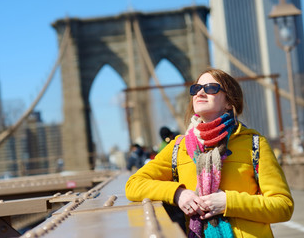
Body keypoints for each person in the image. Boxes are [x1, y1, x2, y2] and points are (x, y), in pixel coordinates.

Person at [125, 68, 294, 237]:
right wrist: (177, 193)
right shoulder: (178, 148)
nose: (200, 93)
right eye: (196, 89)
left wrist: (228, 202)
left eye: (211, 88)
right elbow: (133, 185)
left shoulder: (254, 144)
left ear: (229, 102)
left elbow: (283, 206)